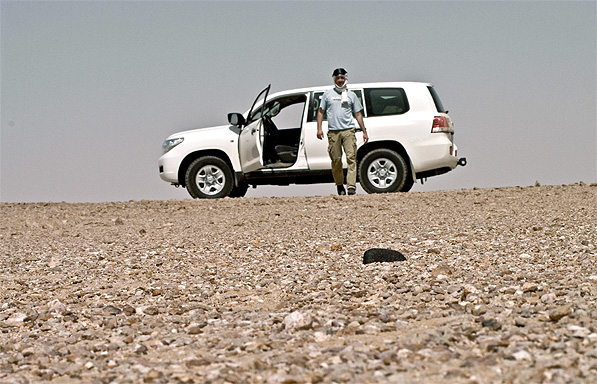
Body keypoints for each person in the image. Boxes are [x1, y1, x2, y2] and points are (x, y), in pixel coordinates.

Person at [317, 68, 368, 195]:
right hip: (334, 132)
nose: (340, 80)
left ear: (345, 78)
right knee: (336, 160)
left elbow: (357, 113)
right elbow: (320, 111)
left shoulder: (351, 95)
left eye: (342, 78)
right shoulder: (327, 95)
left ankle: (351, 187)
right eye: (337, 78)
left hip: (348, 131)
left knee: (351, 158)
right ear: (334, 79)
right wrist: (319, 129)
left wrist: (364, 131)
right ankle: (339, 184)